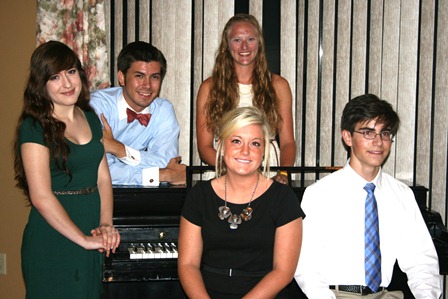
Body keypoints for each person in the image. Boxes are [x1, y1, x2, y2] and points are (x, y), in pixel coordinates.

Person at [294, 94, 442, 298]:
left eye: (385, 133)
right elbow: (305, 265)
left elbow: (422, 262)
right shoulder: (320, 194)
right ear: (347, 137)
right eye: (368, 132)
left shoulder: (401, 194)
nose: (379, 142)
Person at [14, 41, 120, 299]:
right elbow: (40, 196)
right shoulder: (34, 127)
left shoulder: (91, 118)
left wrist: (105, 224)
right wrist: (83, 240)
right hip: (53, 234)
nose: (67, 83)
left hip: (91, 223)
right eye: (55, 77)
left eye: (71, 72)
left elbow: (103, 178)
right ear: (42, 84)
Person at [178, 106, 304, 298]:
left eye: (255, 144)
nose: (245, 151)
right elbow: (188, 265)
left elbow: (283, 272)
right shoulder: (199, 196)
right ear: (221, 146)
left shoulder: (283, 198)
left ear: (264, 151)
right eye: (236, 141)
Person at [196, 14, 296, 184]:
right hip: (223, 170)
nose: (244, 46)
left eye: (250, 39)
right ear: (226, 45)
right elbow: (204, 146)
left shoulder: (279, 85)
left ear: (259, 43)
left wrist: (283, 174)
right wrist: (232, 171)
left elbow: (287, 142)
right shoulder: (209, 87)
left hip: (269, 171)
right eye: (237, 40)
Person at [90, 41, 186, 186]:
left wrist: (118, 149)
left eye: (154, 77)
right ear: (122, 77)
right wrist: (162, 175)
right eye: (139, 76)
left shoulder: (163, 110)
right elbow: (98, 169)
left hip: (142, 199)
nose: (147, 85)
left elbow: (166, 161)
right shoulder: (97, 106)